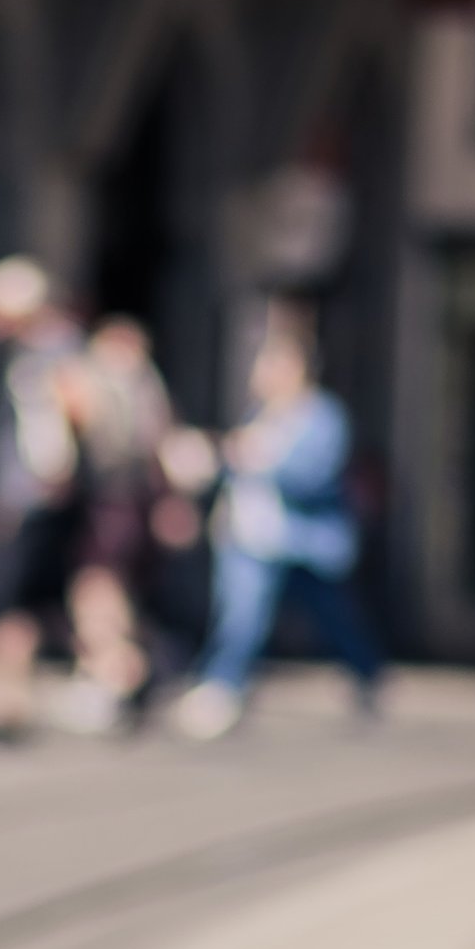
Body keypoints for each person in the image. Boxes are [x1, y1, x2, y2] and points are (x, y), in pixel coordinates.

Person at [174, 310, 382, 741]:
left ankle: (367, 671)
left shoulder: (322, 416)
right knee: (241, 615)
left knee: (334, 618)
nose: (261, 373)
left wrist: (254, 460)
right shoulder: (260, 416)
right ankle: (223, 686)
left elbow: (315, 476)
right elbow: (238, 470)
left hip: (301, 540)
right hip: (252, 538)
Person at [0, 253, 84, 740]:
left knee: (7, 604)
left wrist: (25, 490)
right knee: (37, 604)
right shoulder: (46, 347)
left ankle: (7, 705)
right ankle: (12, 702)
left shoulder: (44, 352)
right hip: (38, 497)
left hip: (33, 498)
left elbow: (68, 414)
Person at [66, 312, 177, 727]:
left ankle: (119, 675)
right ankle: (123, 674)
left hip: (108, 508)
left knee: (97, 596)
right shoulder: (149, 391)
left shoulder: (112, 387)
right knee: (111, 596)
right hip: (130, 509)